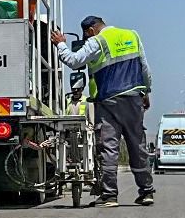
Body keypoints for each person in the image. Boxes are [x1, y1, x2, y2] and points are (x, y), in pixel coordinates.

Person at [50, 15, 156, 207]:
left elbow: (74, 61)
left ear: (91, 30)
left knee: (109, 148)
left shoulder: (97, 41)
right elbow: (145, 68)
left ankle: (110, 196)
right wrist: (146, 92)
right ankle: (146, 191)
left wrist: (61, 44)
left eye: (87, 36)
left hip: (108, 102)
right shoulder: (132, 35)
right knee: (137, 145)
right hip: (133, 99)